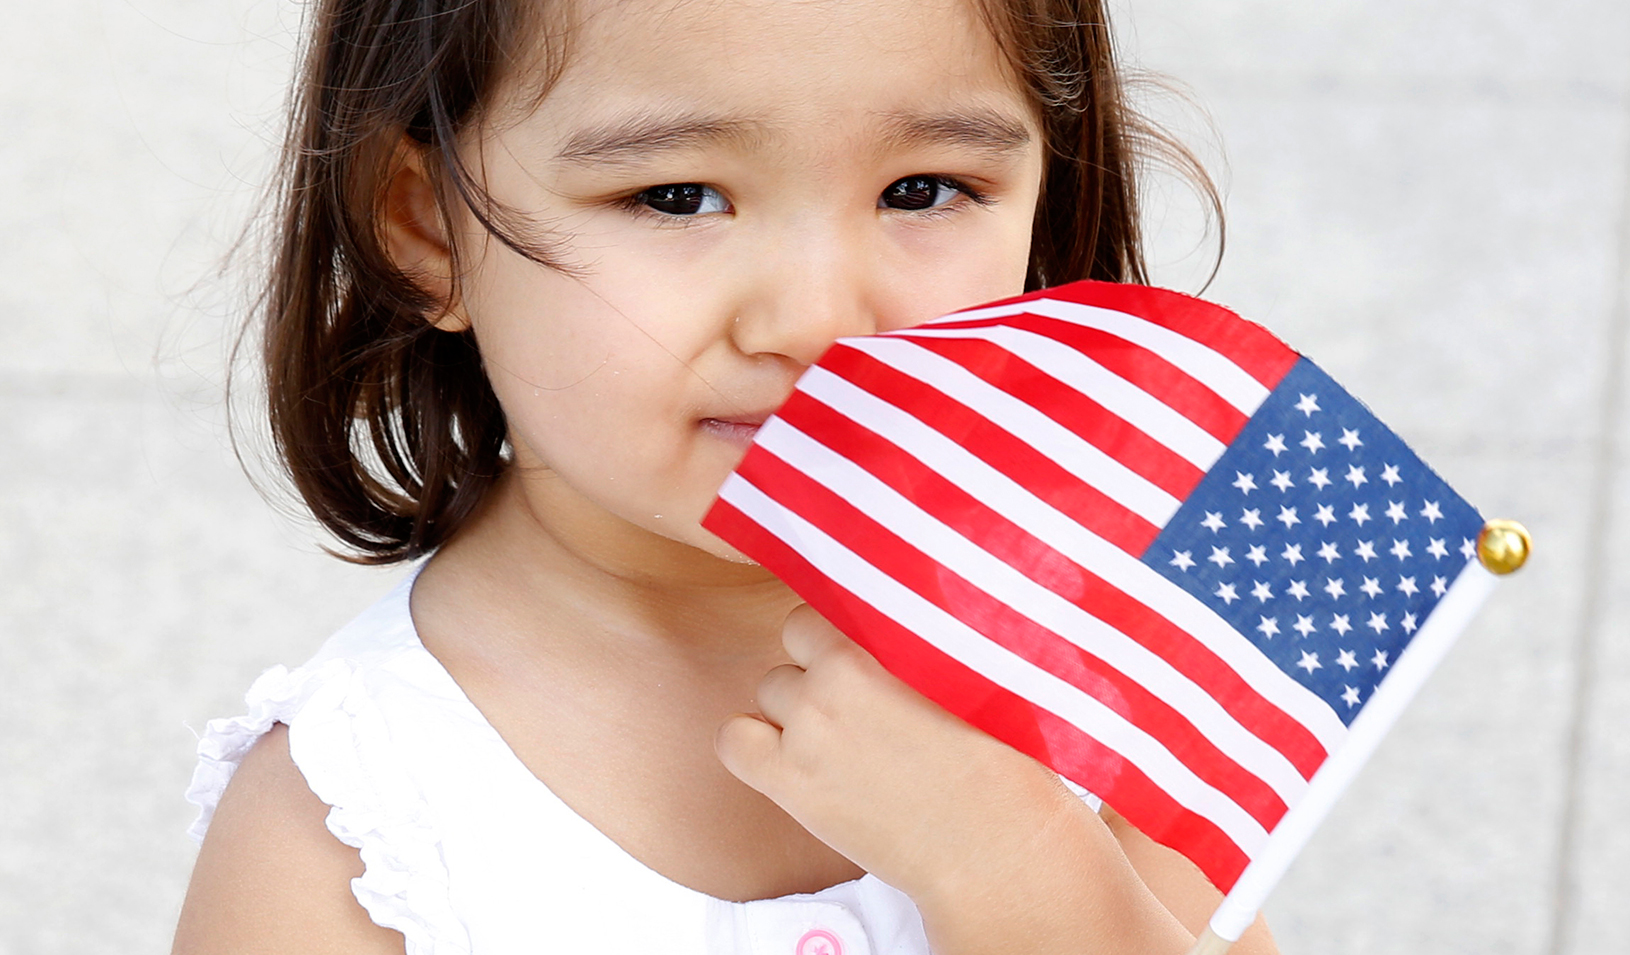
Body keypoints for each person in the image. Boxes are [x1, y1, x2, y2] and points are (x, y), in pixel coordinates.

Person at [173, 0, 1277, 951]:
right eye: (677, 198)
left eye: (923, 190)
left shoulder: (1112, 682)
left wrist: (1023, 874)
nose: (817, 321)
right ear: (425, 226)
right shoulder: (354, 821)